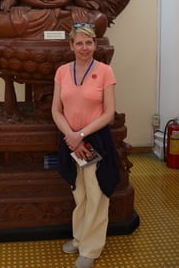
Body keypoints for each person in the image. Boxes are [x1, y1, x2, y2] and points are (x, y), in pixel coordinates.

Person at [51, 23, 120, 268]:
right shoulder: (62, 72)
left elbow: (109, 114)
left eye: (89, 42)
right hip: (70, 141)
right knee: (79, 193)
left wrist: (80, 135)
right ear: (71, 46)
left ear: (95, 45)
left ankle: (91, 249)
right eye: (79, 43)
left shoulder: (104, 72)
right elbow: (56, 110)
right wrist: (71, 136)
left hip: (94, 142)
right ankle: (79, 238)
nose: (84, 47)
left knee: (96, 193)